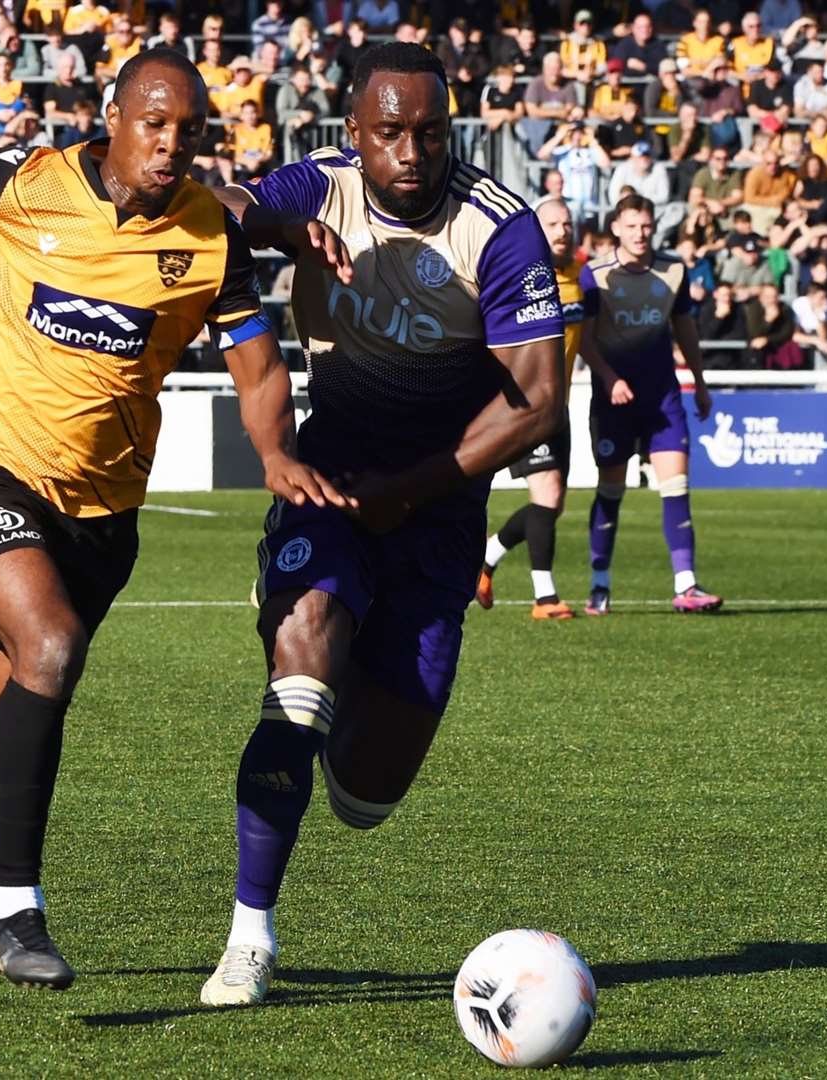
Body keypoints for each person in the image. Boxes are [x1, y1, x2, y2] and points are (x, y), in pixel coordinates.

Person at [0, 50, 341, 991]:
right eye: (153, 123)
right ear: (112, 117)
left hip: (103, 515)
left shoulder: (210, 240)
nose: (169, 143)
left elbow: (258, 366)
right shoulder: (29, 184)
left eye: (187, 129)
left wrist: (275, 455)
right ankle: (12, 913)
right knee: (50, 646)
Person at [198, 43, 564, 1007]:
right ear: (354, 135)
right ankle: (248, 940)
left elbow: (533, 400)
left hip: (437, 509)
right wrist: (280, 225)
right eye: (390, 132)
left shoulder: (501, 228)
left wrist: (417, 484)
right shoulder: (319, 186)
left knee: (364, 795)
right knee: (303, 658)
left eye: (429, 132)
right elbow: (221, 209)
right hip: (329, 481)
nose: (412, 151)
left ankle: (327, 675)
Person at [578, 194, 722, 616]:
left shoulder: (673, 269)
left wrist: (700, 381)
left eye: (647, 226)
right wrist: (609, 377)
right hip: (614, 398)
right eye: (632, 225)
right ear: (616, 228)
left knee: (676, 487)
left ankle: (686, 584)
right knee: (611, 491)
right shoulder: (596, 275)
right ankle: (599, 583)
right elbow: (584, 339)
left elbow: (686, 330)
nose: (641, 234)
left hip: (663, 396)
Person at [478, 199, 590, 620]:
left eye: (568, 222)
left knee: (552, 505)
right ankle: (545, 598)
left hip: (556, 408)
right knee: (547, 496)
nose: (562, 230)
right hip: (522, 403)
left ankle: (486, 558)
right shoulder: (519, 276)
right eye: (552, 223)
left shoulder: (581, 278)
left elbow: (588, 338)